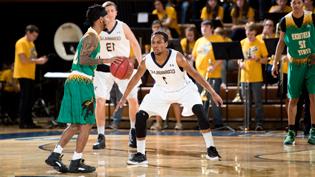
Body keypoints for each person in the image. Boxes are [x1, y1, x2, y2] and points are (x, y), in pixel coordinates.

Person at [117, 31, 223, 165]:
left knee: (200, 111)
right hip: (161, 91)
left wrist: (213, 93)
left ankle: (211, 149)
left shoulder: (177, 57)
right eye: (153, 42)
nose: (155, 45)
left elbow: (195, 74)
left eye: (159, 42)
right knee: (140, 116)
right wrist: (123, 97)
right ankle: (141, 154)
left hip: (184, 89)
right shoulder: (147, 61)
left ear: (166, 44)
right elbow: (135, 79)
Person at [45, 4, 121, 173]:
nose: (110, 18)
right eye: (107, 15)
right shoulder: (92, 37)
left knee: (75, 125)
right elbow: (84, 59)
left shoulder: (92, 36)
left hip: (75, 80)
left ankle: (55, 156)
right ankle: (76, 161)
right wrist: (106, 61)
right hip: (81, 81)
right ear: (100, 19)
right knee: (86, 124)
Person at [93, 1, 142, 149]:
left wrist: (141, 65)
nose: (109, 13)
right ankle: (101, 135)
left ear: (116, 12)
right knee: (100, 101)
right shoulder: (96, 29)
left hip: (123, 69)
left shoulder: (122, 26)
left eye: (112, 10)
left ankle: (133, 131)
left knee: (133, 99)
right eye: (106, 10)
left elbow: (135, 44)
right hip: (103, 69)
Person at [272, 0, 315, 145]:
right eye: (293, 2)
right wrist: (275, 63)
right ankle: (291, 131)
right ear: (291, 4)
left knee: (313, 97)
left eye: (298, 2)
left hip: (311, 63)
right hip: (295, 64)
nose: (296, 5)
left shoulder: (312, 17)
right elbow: (281, 43)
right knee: (293, 99)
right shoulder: (285, 21)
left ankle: (313, 131)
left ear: (303, 3)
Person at [13, 25, 48, 129]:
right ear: (28, 32)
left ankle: (29, 122)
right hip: (22, 74)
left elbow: (32, 58)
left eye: (36, 36)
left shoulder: (31, 43)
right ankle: (23, 123)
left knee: (30, 100)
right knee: (25, 99)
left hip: (30, 75)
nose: (35, 38)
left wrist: (40, 59)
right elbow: (23, 60)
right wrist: (38, 61)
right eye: (33, 35)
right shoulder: (21, 42)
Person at [192, 20, 225, 128]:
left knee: (214, 99)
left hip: (213, 74)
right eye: (202, 27)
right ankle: (203, 123)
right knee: (201, 100)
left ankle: (218, 122)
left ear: (211, 28)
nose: (204, 29)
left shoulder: (218, 39)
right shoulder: (198, 41)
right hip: (200, 76)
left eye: (206, 27)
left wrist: (214, 67)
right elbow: (194, 57)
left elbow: (222, 56)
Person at [239, 22, 268, 131]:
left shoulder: (260, 43)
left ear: (255, 32)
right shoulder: (242, 42)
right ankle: (247, 124)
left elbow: (266, 60)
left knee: (258, 102)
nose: (249, 35)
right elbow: (239, 58)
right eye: (247, 33)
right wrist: (240, 63)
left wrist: (258, 59)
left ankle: (259, 123)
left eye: (251, 33)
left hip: (256, 77)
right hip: (244, 76)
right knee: (246, 102)